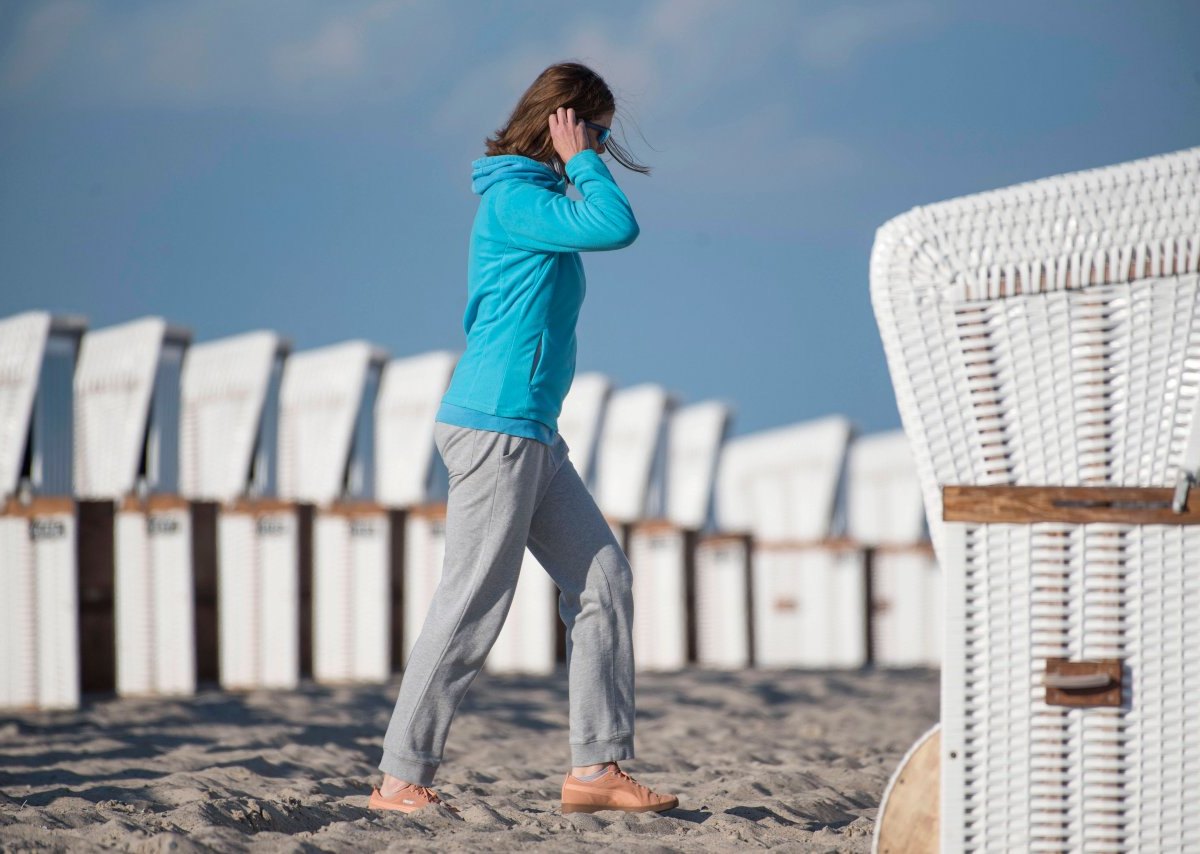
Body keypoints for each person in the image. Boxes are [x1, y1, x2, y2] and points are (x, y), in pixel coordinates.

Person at [369, 62, 678, 816]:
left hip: (532, 434)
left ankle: (596, 769)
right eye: (596, 133)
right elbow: (617, 226)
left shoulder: (536, 201)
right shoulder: (514, 198)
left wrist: (578, 162)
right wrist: (580, 162)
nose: (602, 150)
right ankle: (399, 778)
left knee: (604, 581)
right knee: (472, 604)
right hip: (494, 430)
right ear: (563, 122)